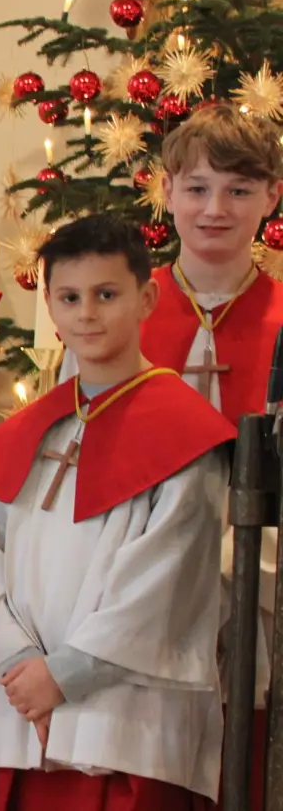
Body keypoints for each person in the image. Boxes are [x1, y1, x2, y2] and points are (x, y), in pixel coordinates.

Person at [0, 213, 234, 810]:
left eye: (106, 295)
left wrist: (63, 676)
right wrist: (19, 664)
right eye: (70, 297)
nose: (86, 313)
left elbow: (166, 585)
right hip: (23, 715)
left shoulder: (187, 439)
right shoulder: (28, 434)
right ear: (51, 308)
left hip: (127, 724)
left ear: (147, 298)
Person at [142, 102, 283, 809]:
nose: (215, 209)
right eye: (196, 188)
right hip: (146, 586)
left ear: (272, 196)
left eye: (238, 189)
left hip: (260, 590)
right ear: (165, 192)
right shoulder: (120, 310)